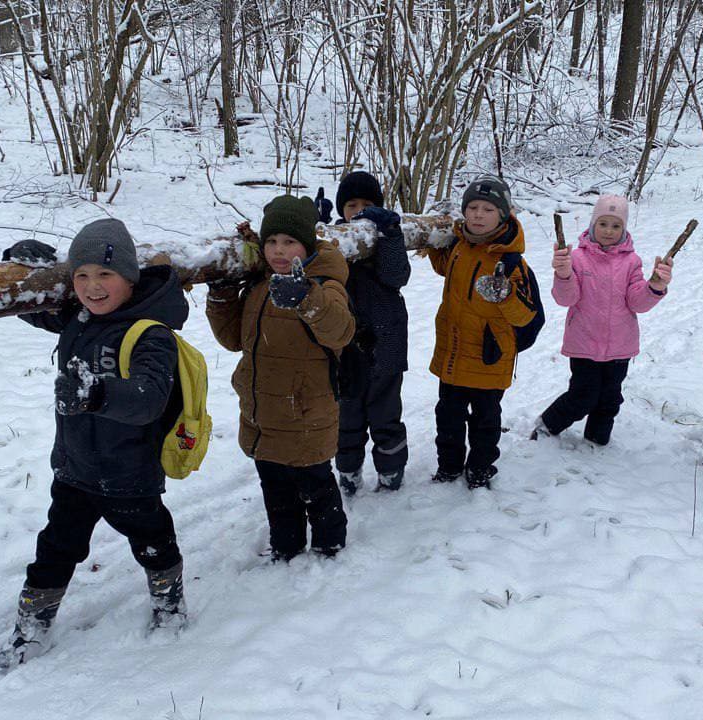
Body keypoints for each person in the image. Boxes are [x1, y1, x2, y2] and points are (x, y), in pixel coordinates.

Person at [0, 219, 189, 673]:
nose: (92, 287)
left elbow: (150, 398)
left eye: (105, 275)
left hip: (130, 471)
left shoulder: (150, 333)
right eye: (81, 276)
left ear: (130, 278)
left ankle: (169, 600)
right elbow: (32, 307)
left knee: (153, 541)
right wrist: (23, 265)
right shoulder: (77, 317)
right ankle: (32, 628)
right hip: (76, 469)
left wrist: (97, 394)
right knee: (55, 549)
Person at [205, 195, 355, 561]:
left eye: (290, 242)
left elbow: (340, 331)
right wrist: (223, 296)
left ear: (307, 245)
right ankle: (286, 545)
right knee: (274, 487)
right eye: (272, 241)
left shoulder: (325, 283)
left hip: (306, 411)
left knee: (316, 485)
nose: (279, 250)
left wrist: (307, 299)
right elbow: (232, 340)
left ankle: (329, 543)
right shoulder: (260, 284)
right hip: (263, 411)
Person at [423, 176, 539, 490]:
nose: (477, 214)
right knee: (447, 417)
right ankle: (448, 467)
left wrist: (505, 295)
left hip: (488, 357)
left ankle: (480, 469)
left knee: (485, 421)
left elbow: (527, 314)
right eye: (472, 207)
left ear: (503, 214)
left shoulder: (511, 262)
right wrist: (433, 246)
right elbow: (448, 269)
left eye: (488, 209)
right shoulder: (460, 246)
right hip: (454, 352)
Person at [532, 194, 673, 446]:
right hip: (584, 343)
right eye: (603, 223)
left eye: (616, 225)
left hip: (620, 345)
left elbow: (636, 303)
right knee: (583, 395)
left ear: (624, 228)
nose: (609, 231)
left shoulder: (632, 261)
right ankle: (548, 424)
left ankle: (597, 440)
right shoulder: (577, 258)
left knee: (609, 398)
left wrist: (655, 286)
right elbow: (566, 299)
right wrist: (563, 274)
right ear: (593, 224)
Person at [323, 171, 411, 495]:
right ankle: (347, 470)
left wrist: (389, 234)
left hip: (386, 343)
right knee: (347, 415)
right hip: (346, 347)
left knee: (386, 413)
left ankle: (391, 469)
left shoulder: (387, 232)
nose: (359, 210)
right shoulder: (333, 239)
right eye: (352, 204)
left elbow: (396, 276)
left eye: (367, 204)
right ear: (341, 208)